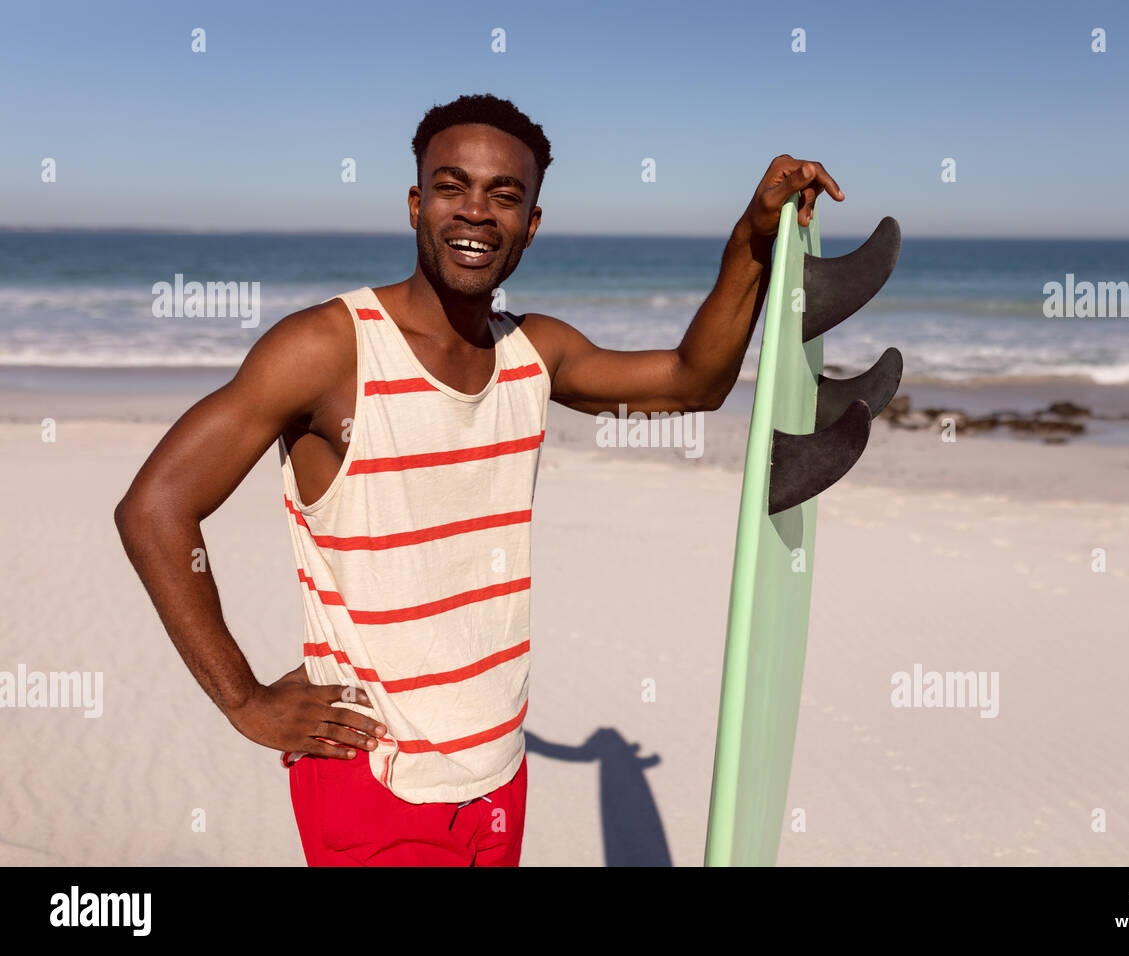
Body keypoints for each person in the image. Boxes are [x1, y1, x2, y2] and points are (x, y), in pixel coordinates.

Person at [114, 91, 843, 866]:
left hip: (498, 768)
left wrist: (753, 240)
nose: (475, 213)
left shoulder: (536, 351)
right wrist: (245, 699)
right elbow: (155, 510)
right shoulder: (328, 349)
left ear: (530, 224)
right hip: (377, 780)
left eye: (505, 196)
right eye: (452, 186)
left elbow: (691, 382)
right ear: (415, 203)